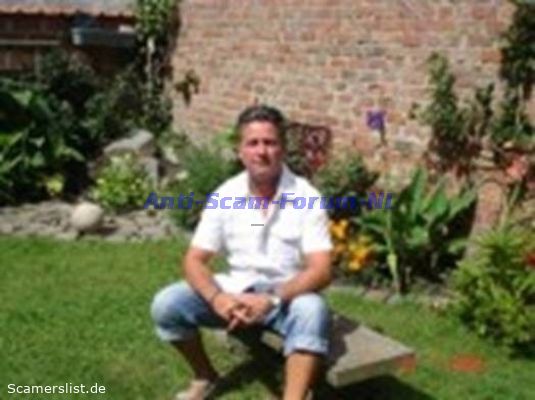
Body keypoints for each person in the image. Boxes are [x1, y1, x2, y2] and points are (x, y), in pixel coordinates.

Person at [151, 104, 333, 400]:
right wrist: (218, 298)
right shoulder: (225, 195)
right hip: (234, 293)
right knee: (167, 304)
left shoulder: (306, 197)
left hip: (285, 298)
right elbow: (194, 260)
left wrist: (271, 299)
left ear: (283, 149)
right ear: (240, 150)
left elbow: (321, 269)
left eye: (270, 142)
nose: (261, 151)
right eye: (253, 143)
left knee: (313, 309)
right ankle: (206, 376)